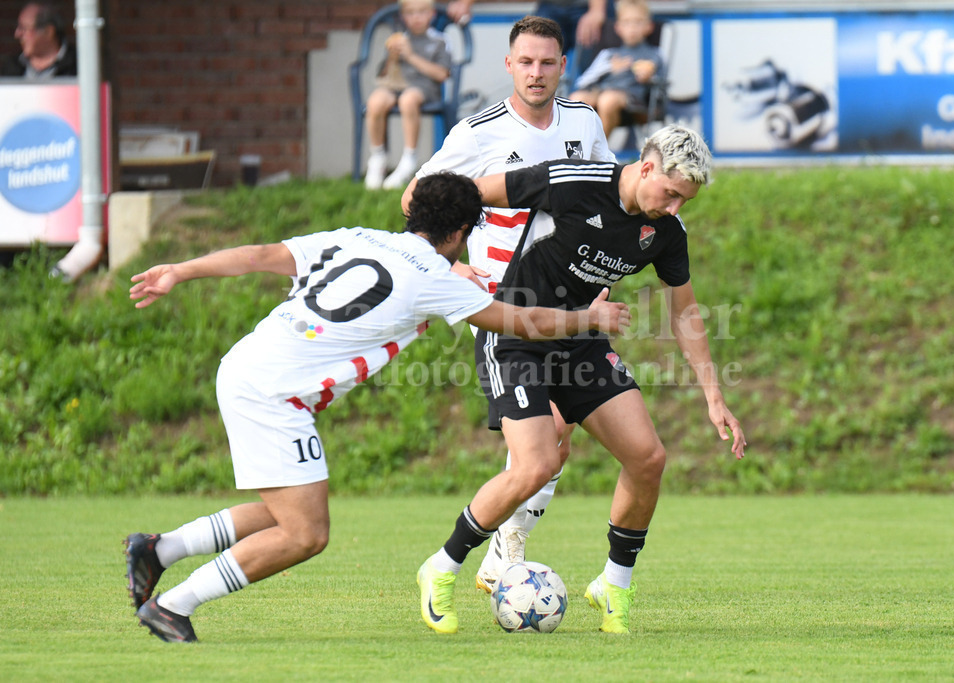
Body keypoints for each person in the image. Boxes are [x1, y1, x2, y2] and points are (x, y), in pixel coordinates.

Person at [122, 172, 629, 643]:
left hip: (248, 365)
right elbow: (520, 321)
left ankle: (159, 550)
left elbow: (258, 255)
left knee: (289, 509)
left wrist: (180, 270)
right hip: (275, 395)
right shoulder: (435, 278)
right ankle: (172, 606)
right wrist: (589, 315)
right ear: (460, 232)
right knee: (305, 533)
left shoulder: (357, 237)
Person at [416, 125, 746, 635]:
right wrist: (449, 264)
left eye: (687, 201)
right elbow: (465, 194)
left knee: (648, 457)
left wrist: (713, 395)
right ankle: (442, 566)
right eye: (673, 193)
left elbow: (684, 311)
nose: (676, 208)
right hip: (516, 333)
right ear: (648, 165)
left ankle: (613, 585)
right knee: (539, 461)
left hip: (581, 342)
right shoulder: (574, 181)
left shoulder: (665, 232)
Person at [401, 15, 616, 595]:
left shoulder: (585, 121)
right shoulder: (479, 133)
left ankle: (505, 546)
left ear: (563, 65)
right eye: (526, 62)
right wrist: (448, 264)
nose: (537, 73)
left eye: (548, 62)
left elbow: (605, 192)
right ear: (508, 65)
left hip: (571, 299)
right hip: (509, 304)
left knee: (560, 436)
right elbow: (415, 198)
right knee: (542, 439)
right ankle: (491, 547)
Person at [364, 0, 453, 190]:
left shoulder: (440, 41)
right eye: (411, 13)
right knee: (375, 101)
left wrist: (411, 55)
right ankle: (378, 156)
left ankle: (409, 158)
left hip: (425, 89)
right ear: (403, 17)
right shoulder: (399, 38)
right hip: (395, 86)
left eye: (421, 12)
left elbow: (442, 74)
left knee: (408, 99)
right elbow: (381, 76)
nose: (416, 18)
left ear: (432, 14)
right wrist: (392, 57)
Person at [569, 0, 663, 138]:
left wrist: (648, 77)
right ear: (618, 27)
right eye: (627, 22)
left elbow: (661, 85)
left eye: (638, 22)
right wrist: (609, 67)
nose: (632, 28)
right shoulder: (609, 54)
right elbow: (583, 81)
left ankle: (597, 151)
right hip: (600, 91)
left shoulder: (654, 55)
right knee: (576, 98)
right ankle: (575, 147)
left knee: (607, 100)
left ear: (649, 26)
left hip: (634, 100)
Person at [446, 0, 611, 78]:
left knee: (593, 72)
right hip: (551, 5)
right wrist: (465, 2)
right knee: (532, 48)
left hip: (588, 6)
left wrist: (596, 10)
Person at [0, 2, 76, 78]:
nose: (17, 34)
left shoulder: (78, 65)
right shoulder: (11, 67)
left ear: (48, 32)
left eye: (23, 28)